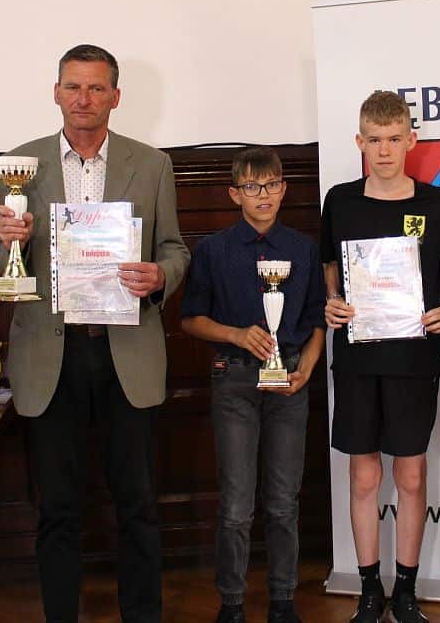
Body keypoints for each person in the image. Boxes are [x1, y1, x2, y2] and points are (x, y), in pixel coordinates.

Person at [0, 44, 190, 622]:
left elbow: (174, 249)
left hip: (127, 349)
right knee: (56, 509)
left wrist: (160, 277)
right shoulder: (19, 166)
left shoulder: (151, 164)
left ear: (115, 97)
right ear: (56, 93)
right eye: (73, 87)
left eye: (97, 88)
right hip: (52, 355)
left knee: (138, 506)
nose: (84, 99)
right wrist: (11, 243)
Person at [320, 90, 440, 623]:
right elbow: (329, 265)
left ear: (411, 140)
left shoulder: (435, 203)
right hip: (357, 358)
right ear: (359, 142)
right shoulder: (340, 201)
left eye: (394, 139)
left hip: (413, 359)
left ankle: (406, 591)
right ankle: (370, 590)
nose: (384, 150)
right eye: (375, 140)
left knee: (410, 477)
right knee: (364, 478)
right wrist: (333, 301)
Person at [179, 146, 326, 623]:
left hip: (291, 382)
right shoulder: (213, 250)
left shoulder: (303, 249)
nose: (262, 194)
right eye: (251, 186)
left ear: (284, 189)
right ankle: (232, 602)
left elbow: (317, 319)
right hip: (235, 378)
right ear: (234, 194)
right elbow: (190, 319)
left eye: (271, 185)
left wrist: (307, 368)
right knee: (236, 504)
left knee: (284, 501)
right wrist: (236, 334)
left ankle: (283, 599)